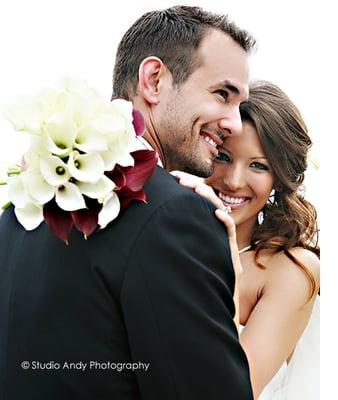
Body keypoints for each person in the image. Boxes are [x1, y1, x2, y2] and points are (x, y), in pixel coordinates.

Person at [0, 6, 255, 399]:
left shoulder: (19, 209)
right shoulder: (176, 216)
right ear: (153, 80)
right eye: (222, 94)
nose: (234, 124)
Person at [173, 81, 320, 399]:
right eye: (223, 156)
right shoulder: (168, 244)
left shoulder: (291, 271)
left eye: (258, 165)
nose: (233, 180)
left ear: (278, 178)